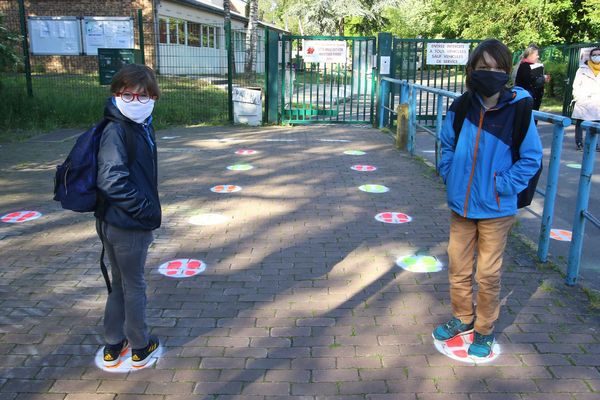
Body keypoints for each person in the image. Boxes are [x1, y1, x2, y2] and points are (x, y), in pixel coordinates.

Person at [435, 39, 543, 358]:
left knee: (488, 272)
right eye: (483, 67)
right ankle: (462, 318)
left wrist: (502, 185)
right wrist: (451, 174)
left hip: (497, 208)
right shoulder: (462, 106)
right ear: (472, 69)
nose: (490, 73)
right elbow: (447, 145)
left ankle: (483, 328)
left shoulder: (518, 108)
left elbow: (531, 158)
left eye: (497, 68)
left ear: (506, 71)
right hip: (462, 206)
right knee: (458, 265)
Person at [95, 64, 161, 368]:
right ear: (116, 94)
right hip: (126, 224)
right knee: (134, 285)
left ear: (153, 96)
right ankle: (139, 344)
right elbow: (111, 180)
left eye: (143, 95)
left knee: (121, 283)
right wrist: (144, 210)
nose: (137, 101)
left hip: (120, 221)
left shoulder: (139, 124)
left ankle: (113, 342)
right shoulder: (117, 129)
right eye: (128, 95)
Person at [571, 46, 600, 151]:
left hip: (597, 101)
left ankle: (596, 144)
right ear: (590, 56)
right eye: (594, 55)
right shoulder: (582, 69)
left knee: (597, 122)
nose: (597, 57)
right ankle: (579, 142)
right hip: (584, 99)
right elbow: (576, 84)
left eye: (598, 54)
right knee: (580, 122)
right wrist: (578, 96)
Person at [515, 44, 550, 114]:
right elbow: (533, 82)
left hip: (530, 99)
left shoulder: (527, 65)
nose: (538, 56)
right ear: (530, 55)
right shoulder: (526, 66)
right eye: (536, 54)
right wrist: (544, 78)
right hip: (528, 99)